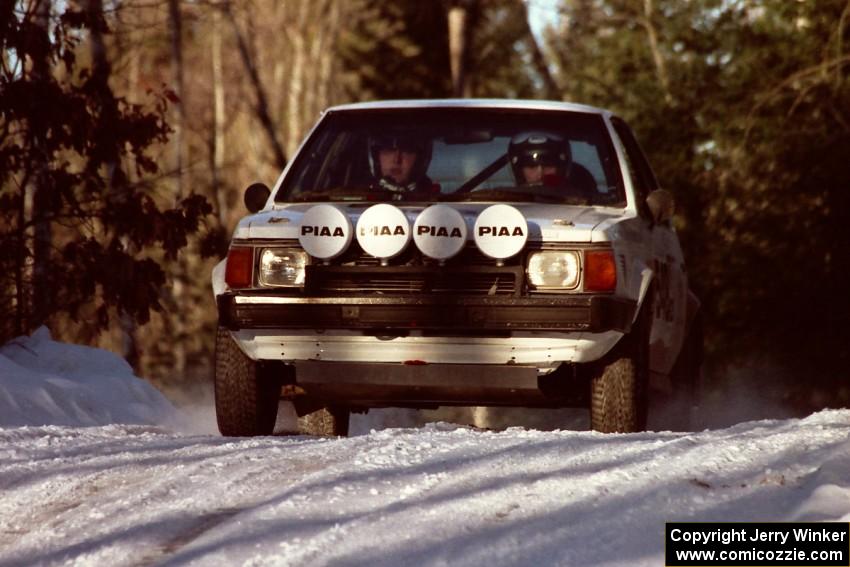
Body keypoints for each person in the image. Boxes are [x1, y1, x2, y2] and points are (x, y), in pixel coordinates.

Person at [508, 132, 596, 197]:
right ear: (518, 171)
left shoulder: (581, 202)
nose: (540, 174)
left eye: (548, 166)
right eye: (531, 166)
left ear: (562, 169)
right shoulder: (505, 205)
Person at [369, 133, 434, 194]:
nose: (397, 160)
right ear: (376, 157)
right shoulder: (364, 196)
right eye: (388, 150)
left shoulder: (436, 203)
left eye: (407, 151)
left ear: (420, 159)